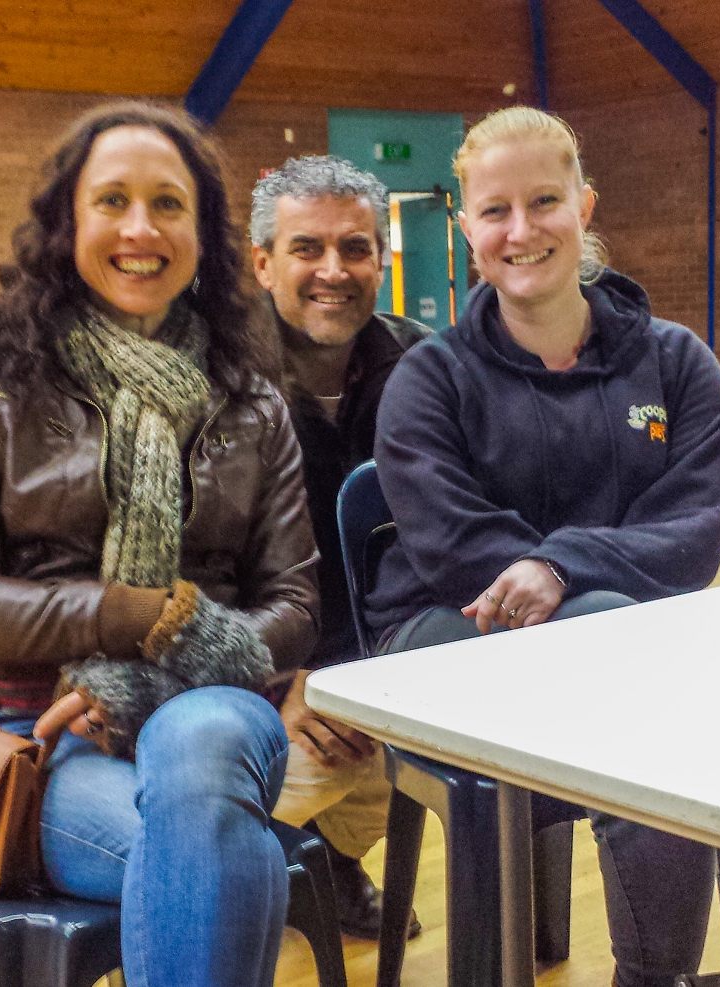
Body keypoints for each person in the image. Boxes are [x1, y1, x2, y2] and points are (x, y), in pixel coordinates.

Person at [0, 102, 320, 987]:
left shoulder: (253, 399)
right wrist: (122, 615)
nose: (141, 228)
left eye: (169, 204)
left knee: (204, 752)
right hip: (35, 731)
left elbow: (295, 607)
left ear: (203, 232)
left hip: (215, 705)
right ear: (67, 222)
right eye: (113, 201)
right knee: (218, 860)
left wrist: (148, 671)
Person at [366, 107, 720, 987]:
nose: (522, 230)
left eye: (545, 201)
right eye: (495, 210)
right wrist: (573, 578)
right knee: (639, 662)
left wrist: (561, 563)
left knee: (637, 664)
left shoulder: (677, 364)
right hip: (441, 638)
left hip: (617, 651)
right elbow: (451, 543)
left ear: (585, 205)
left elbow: (694, 531)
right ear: (465, 228)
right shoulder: (430, 378)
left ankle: (655, 971)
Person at [250, 155, 430, 939]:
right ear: (262, 263)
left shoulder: (426, 368)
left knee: (455, 736)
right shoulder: (211, 381)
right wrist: (281, 682)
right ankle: (267, 861)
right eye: (307, 248)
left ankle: (325, 852)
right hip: (258, 672)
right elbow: (187, 576)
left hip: (372, 663)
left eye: (355, 248)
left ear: (382, 261)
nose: (334, 270)